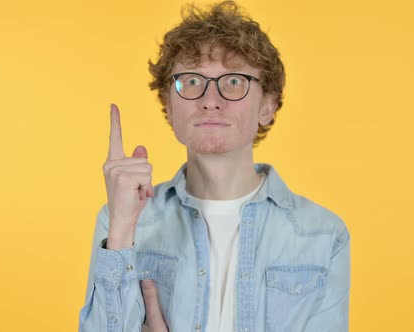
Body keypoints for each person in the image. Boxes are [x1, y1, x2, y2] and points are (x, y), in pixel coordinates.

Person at [79, 1, 350, 331]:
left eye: (234, 81)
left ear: (268, 106)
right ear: (168, 104)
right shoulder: (118, 219)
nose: (210, 99)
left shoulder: (322, 234)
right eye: (191, 82)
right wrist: (122, 227)